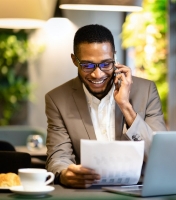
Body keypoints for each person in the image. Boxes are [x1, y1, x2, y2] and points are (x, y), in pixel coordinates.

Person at [45, 24, 167, 188]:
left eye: (106, 64)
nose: (98, 74)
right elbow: (58, 157)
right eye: (87, 65)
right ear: (75, 60)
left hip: (139, 191)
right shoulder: (57, 99)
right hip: (89, 192)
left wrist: (125, 106)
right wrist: (66, 173)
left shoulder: (146, 91)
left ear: (114, 58)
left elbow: (160, 156)